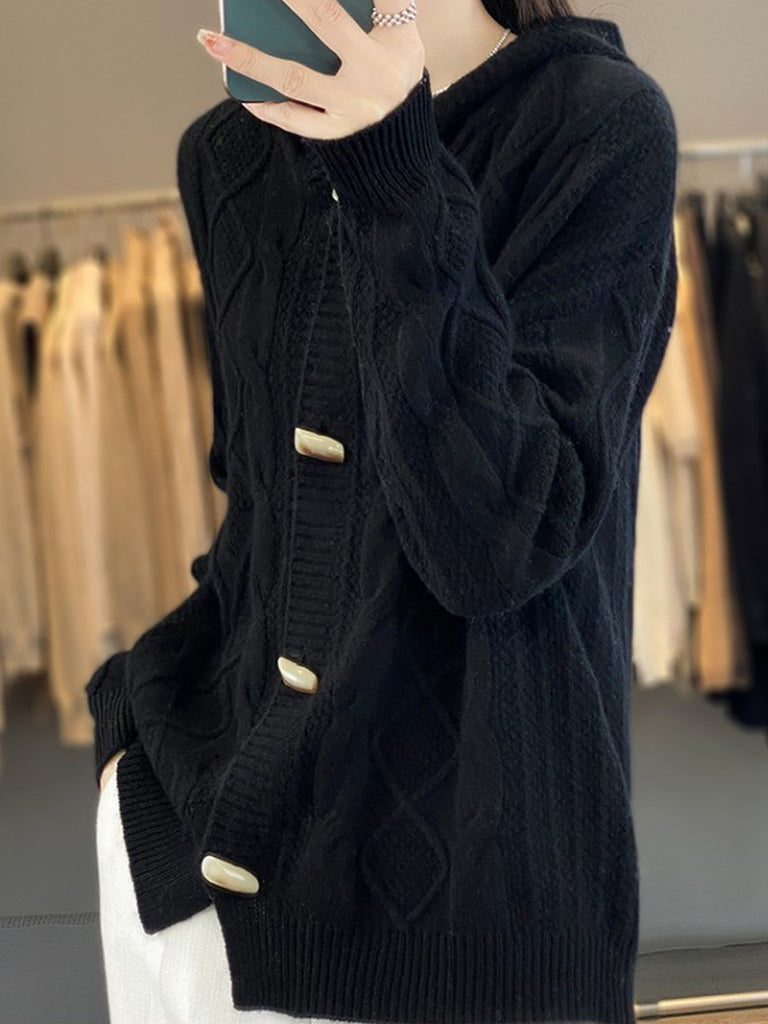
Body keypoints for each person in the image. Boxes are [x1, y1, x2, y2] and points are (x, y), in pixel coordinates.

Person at [91, 1, 678, 1022]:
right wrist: (125, 733)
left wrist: (393, 172)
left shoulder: (598, 123)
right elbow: (261, 511)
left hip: (467, 928)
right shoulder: (228, 156)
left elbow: (497, 544)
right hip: (193, 895)